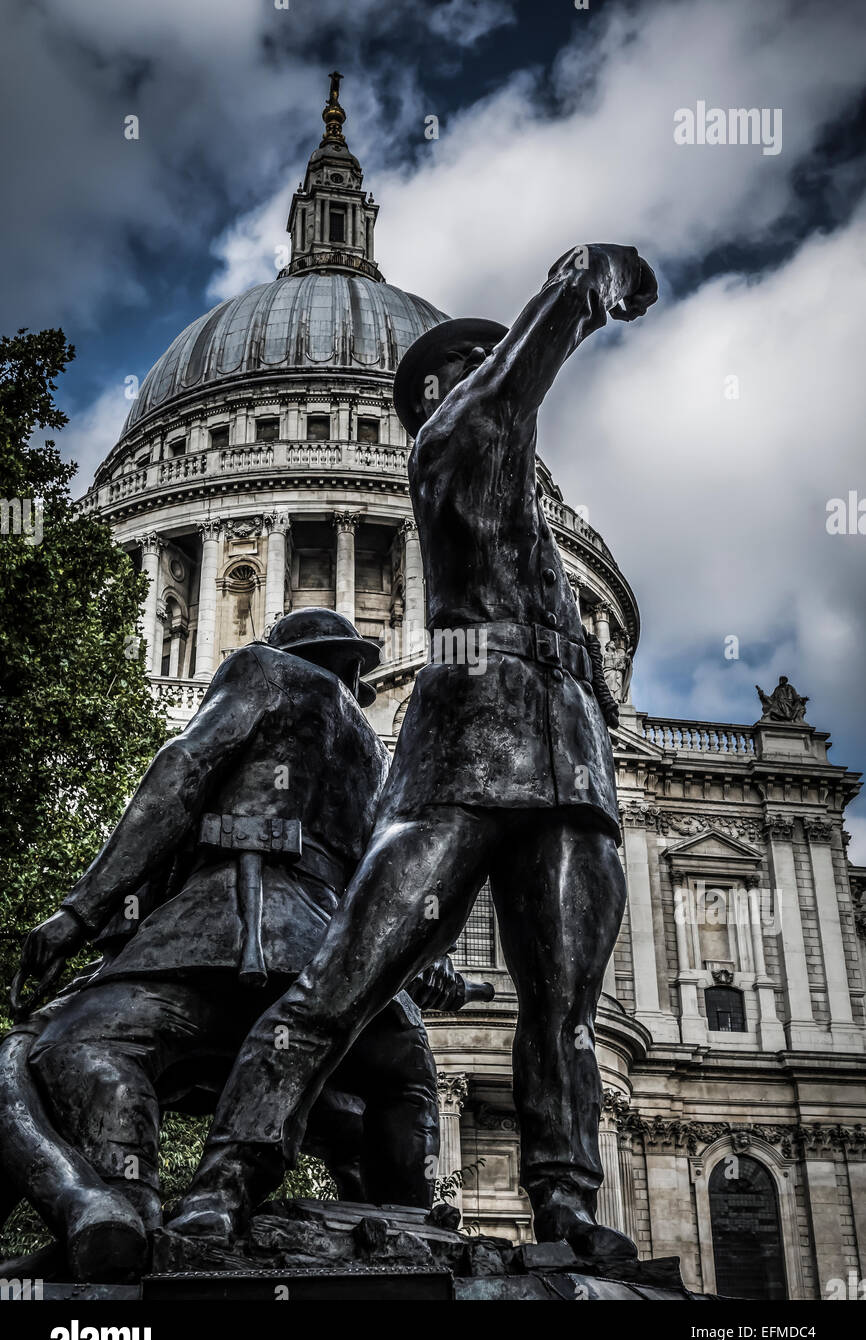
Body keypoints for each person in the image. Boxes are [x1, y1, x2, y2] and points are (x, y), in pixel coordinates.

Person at [170, 243, 658, 1262]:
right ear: (441, 392)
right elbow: (506, 392)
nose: (496, 385)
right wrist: (578, 285)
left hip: (566, 766)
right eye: (475, 368)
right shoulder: (452, 446)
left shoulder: (526, 516)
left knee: (563, 1011)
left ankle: (563, 1200)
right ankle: (225, 1176)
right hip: (457, 760)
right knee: (343, 979)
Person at [6, 608, 464, 1281]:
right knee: (392, 1086)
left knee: (78, 1047)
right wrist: (426, 960)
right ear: (351, 667)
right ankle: (404, 1232)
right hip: (345, 973)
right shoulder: (376, 752)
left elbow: (181, 774)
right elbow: (404, 868)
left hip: (232, 936)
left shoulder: (265, 672)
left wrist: (78, 914)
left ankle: (126, 1213)